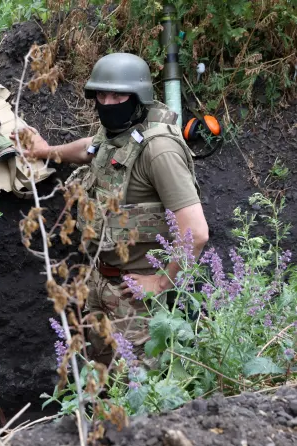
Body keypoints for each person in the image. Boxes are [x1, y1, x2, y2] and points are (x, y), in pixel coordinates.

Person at [11, 52, 209, 367]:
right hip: (100, 282)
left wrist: (160, 283)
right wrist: (46, 151)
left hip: (138, 296)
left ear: (138, 96)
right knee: (100, 378)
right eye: (101, 94)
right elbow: (91, 147)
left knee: (138, 389)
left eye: (118, 95)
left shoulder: (160, 151)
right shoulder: (119, 133)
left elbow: (196, 233)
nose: (108, 101)